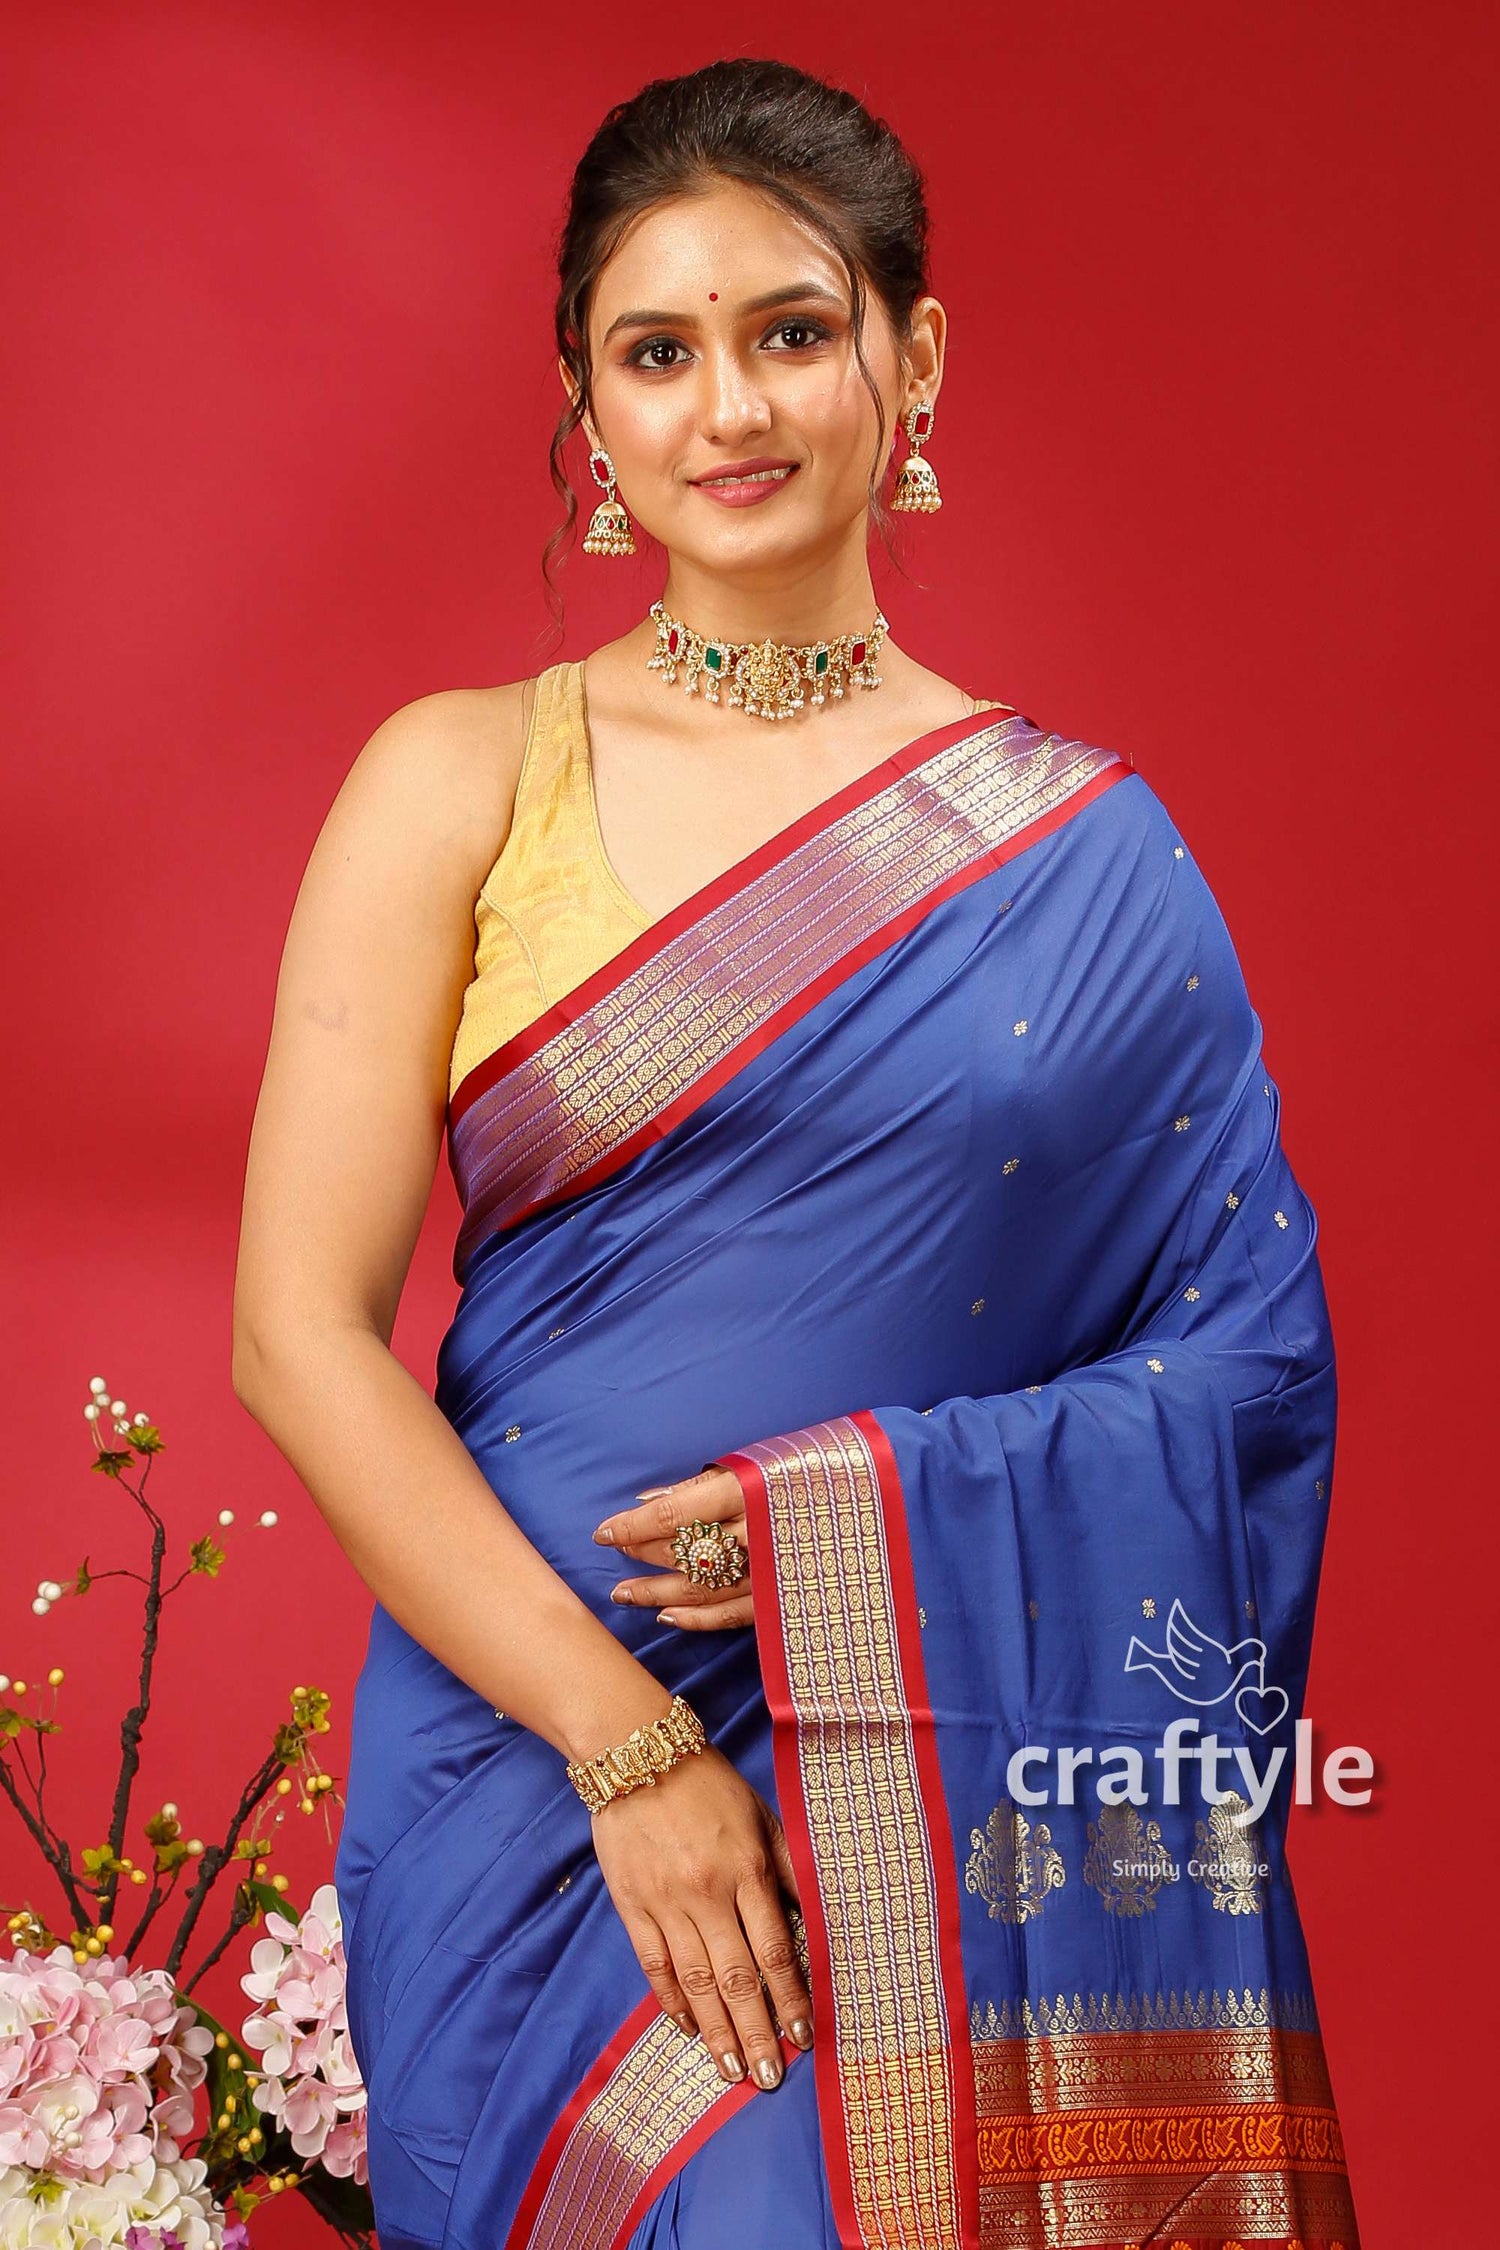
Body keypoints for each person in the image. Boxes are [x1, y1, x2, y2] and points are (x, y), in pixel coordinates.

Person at [232, 56, 1360, 2250]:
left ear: (909, 361)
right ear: (586, 397)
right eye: (656, 352)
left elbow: (1252, 1378)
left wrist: (865, 1535)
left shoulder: (1088, 856)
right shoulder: (460, 781)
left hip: (931, 1775)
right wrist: (624, 1749)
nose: (726, 407)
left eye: (791, 329)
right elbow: (299, 1335)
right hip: (537, 1774)